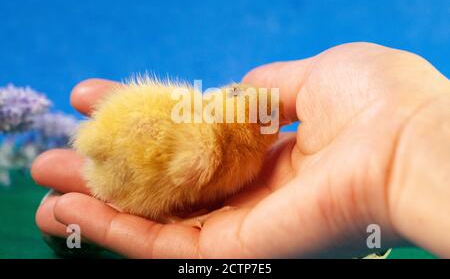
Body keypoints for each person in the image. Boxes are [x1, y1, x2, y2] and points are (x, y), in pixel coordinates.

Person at [31, 42, 450, 258]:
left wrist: (400, 151)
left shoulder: (201, 112)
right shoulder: (209, 150)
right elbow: (183, 161)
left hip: (117, 160)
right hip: (124, 168)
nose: (278, 123)